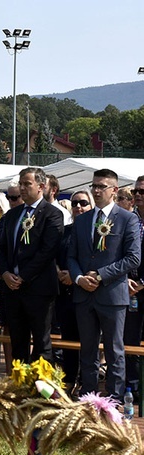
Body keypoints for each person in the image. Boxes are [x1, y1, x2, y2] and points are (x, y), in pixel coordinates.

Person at [68, 168, 141, 403]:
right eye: (94, 186)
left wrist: (99, 275)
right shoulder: (82, 220)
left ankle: (114, 399)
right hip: (84, 294)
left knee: (114, 350)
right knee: (87, 350)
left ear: (114, 190)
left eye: (102, 186)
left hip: (112, 293)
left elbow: (133, 258)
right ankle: (88, 397)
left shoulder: (128, 219)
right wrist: (79, 278)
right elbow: (71, 256)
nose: (97, 191)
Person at [0, 167, 64, 364]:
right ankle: (19, 387)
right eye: (21, 184)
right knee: (18, 342)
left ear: (41, 187)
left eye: (27, 184)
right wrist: (6, 273)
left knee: (42, 343)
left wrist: (22, 276)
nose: (22, 188)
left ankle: (41, 389)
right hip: (12, 289)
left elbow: (48, 250)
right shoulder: (12, 215)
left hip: (39, 289)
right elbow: (1, 247)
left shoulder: (52, 214)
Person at [56, 189, 95, 390]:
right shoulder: (65, 230)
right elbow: (53, 255)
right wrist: (58, 272)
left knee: (89, 341)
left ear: (91, 205)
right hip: (65, 294)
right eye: (75, 203)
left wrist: (76, 276)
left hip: (89, 293)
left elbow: (98, 259)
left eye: (83, 203)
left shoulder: (98, 229)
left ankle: (88, 384)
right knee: (68, 339)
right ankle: (69, 379)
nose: (78, 207)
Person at [0, 181, 23, 374]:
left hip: (24, 281)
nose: (11, 201)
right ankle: (10, 371)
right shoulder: (6, 218)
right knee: (6, 327)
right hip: (4, 280)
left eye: (15, 197)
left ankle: (25, 371)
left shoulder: (31, 216)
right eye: (9, 198)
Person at [123, 177, 144, 395]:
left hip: (141, 285)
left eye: (142, 192)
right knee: (130, 339)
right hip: (128, 288)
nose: (138, 195)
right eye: (136, 191)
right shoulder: (128, 220)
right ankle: (132, 386)